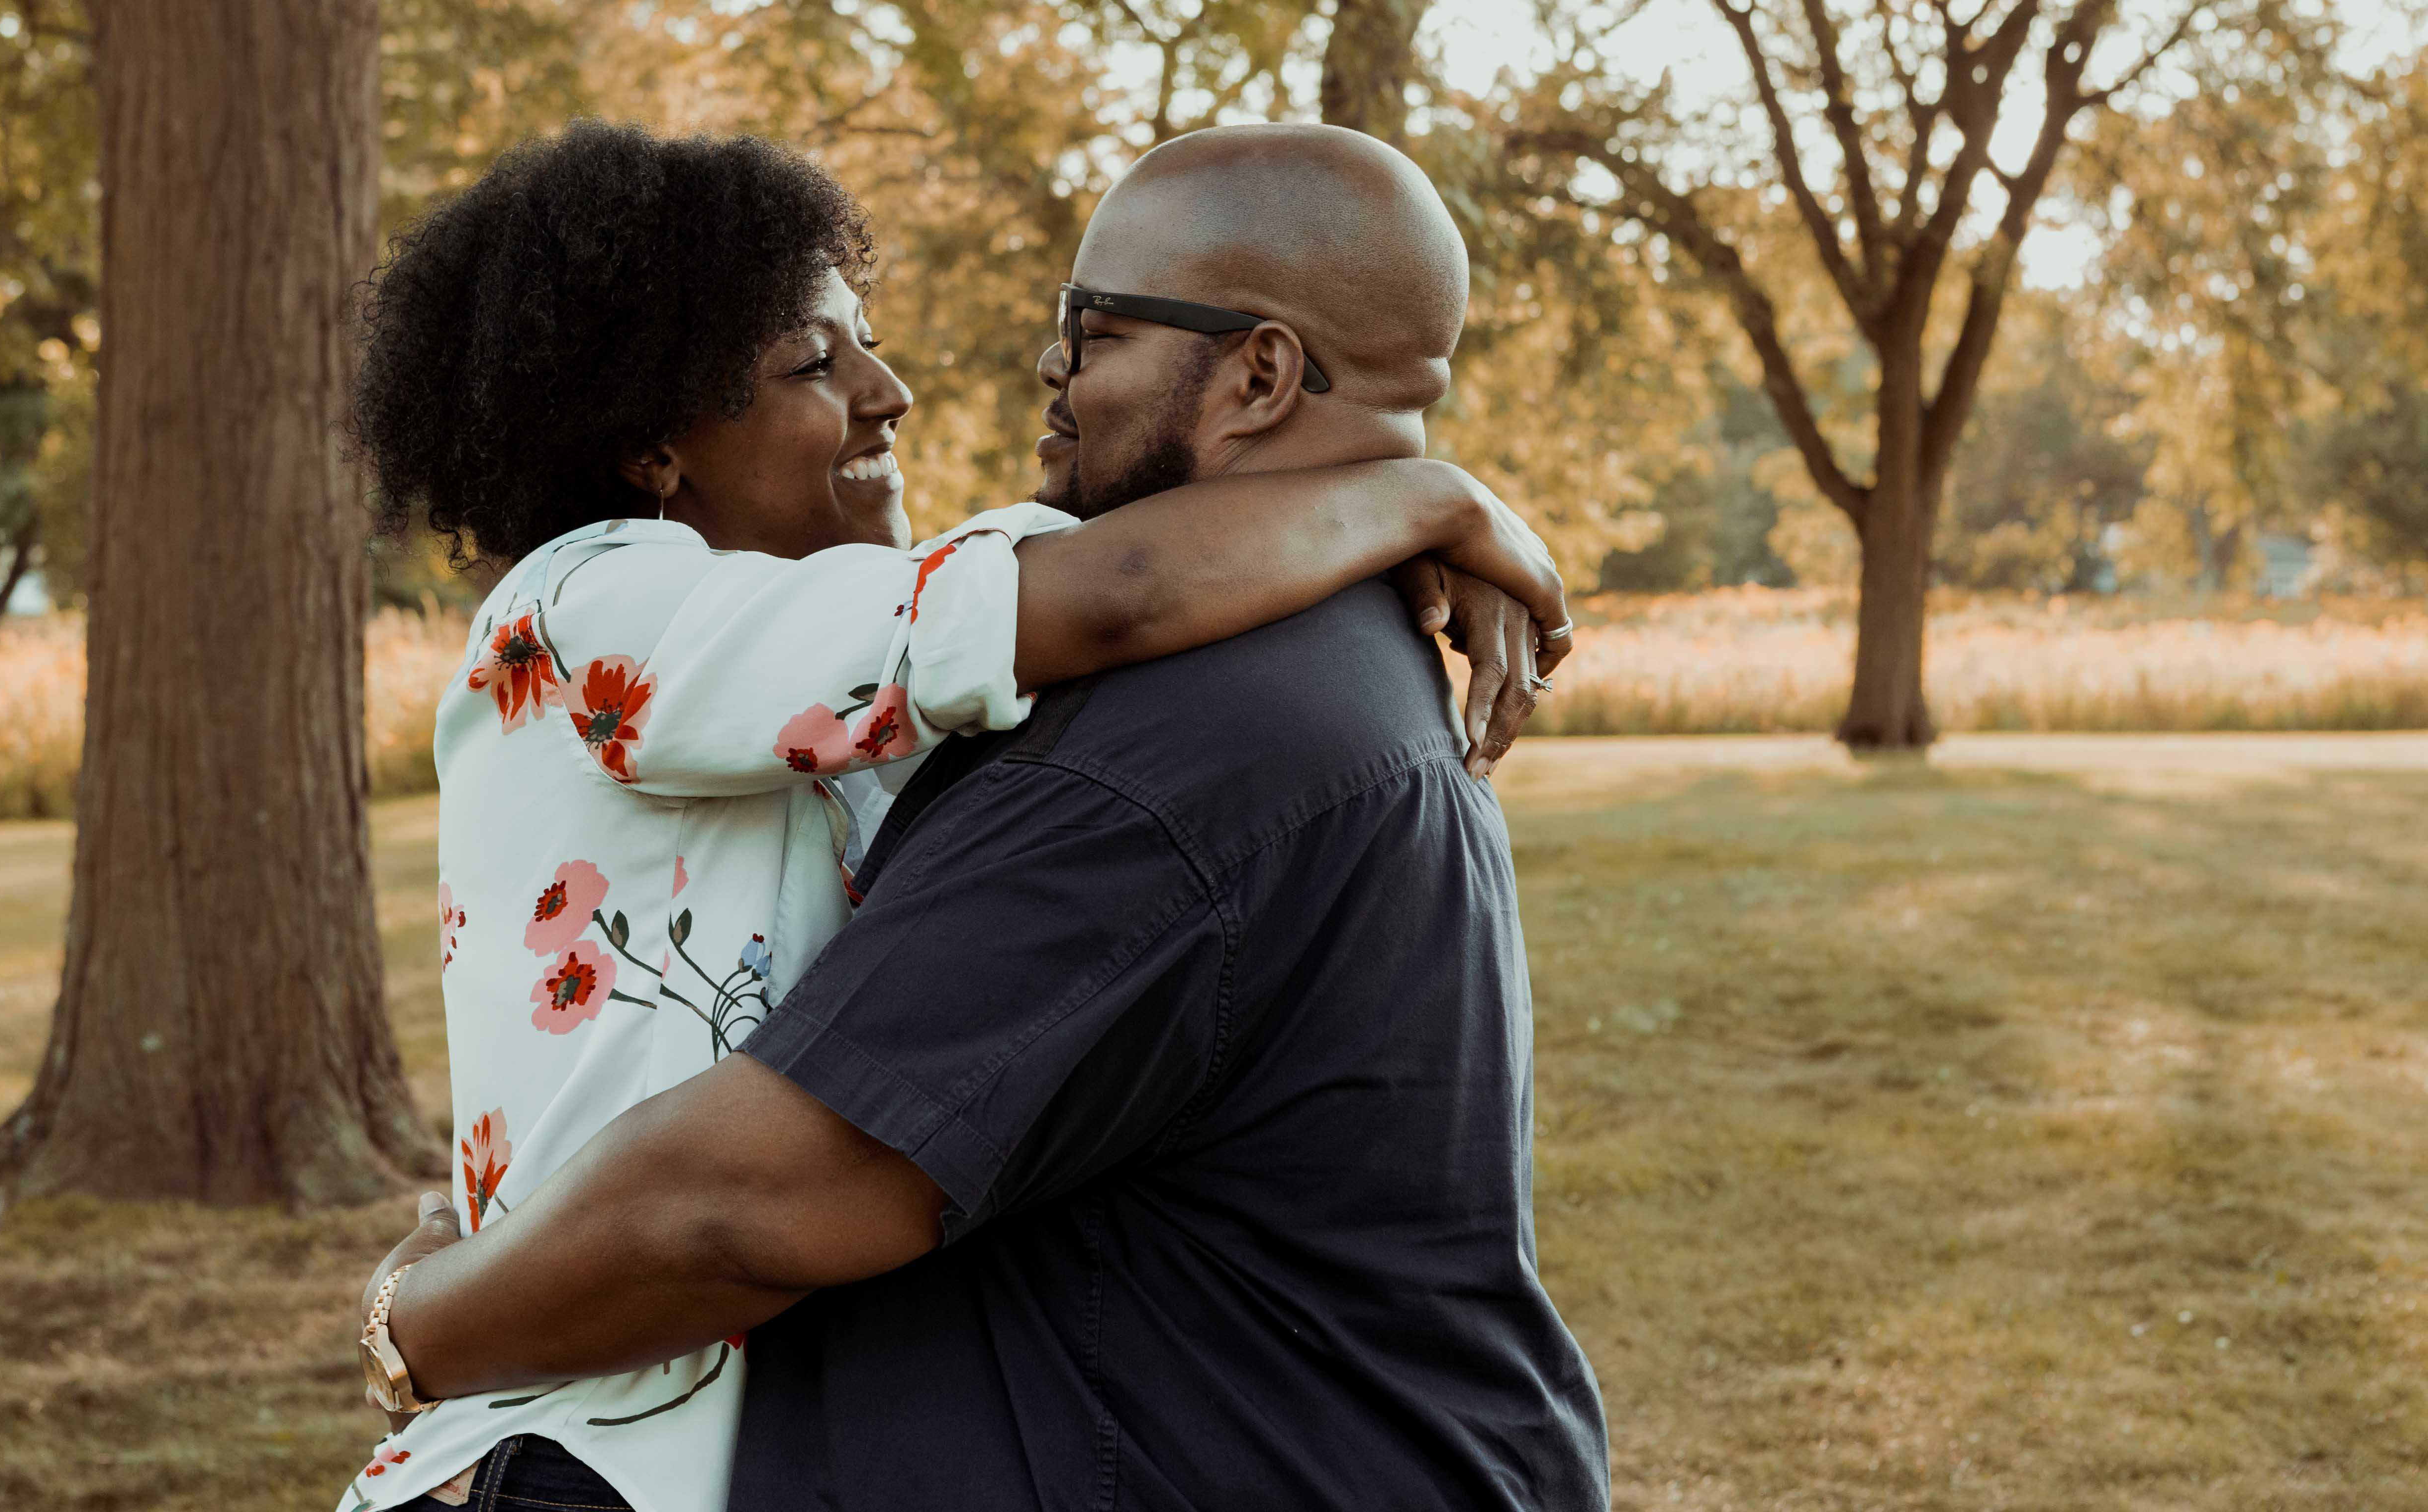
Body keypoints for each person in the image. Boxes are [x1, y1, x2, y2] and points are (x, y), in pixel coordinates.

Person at [357, 123, 1610, 1511]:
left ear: (1261, 372)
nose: (1029, 371)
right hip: (580, 1428)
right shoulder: (596, 606)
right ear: (654, 445)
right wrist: (1426, 494)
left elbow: (743, 1206)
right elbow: (1068, 590)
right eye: (819, 362)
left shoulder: (1188, 729)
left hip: (634, 1380)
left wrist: (416, 1323)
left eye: (1095, 330)